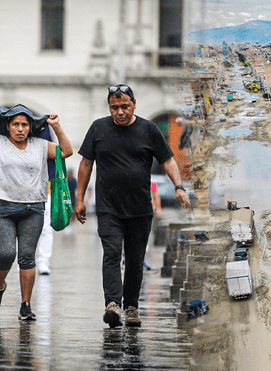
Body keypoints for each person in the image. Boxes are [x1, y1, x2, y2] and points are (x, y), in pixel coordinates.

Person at [74, 84, 190, 328]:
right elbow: (86, 164)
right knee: (112, 254)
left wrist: (178, 186)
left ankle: (131, 307)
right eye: (114, 107)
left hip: (140, 208)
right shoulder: (98, 128)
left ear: (134, 104)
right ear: (109, 108)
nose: (120, 112)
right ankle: (113, 304)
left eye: (124, 106)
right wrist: (80, 199)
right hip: (108, 207)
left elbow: (168, 160)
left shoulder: (148, 130)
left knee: (135, 260)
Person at [0, 104, 72, 321]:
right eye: (15, 124)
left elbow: (66, 152)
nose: (20, 128)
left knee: (27, 258)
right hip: (2, 207)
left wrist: (57, 127)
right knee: (6, 254)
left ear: (30, 127)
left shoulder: (41, 145)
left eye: (24, 124)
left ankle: (25, 305)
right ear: (8, 126)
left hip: (33, 208)